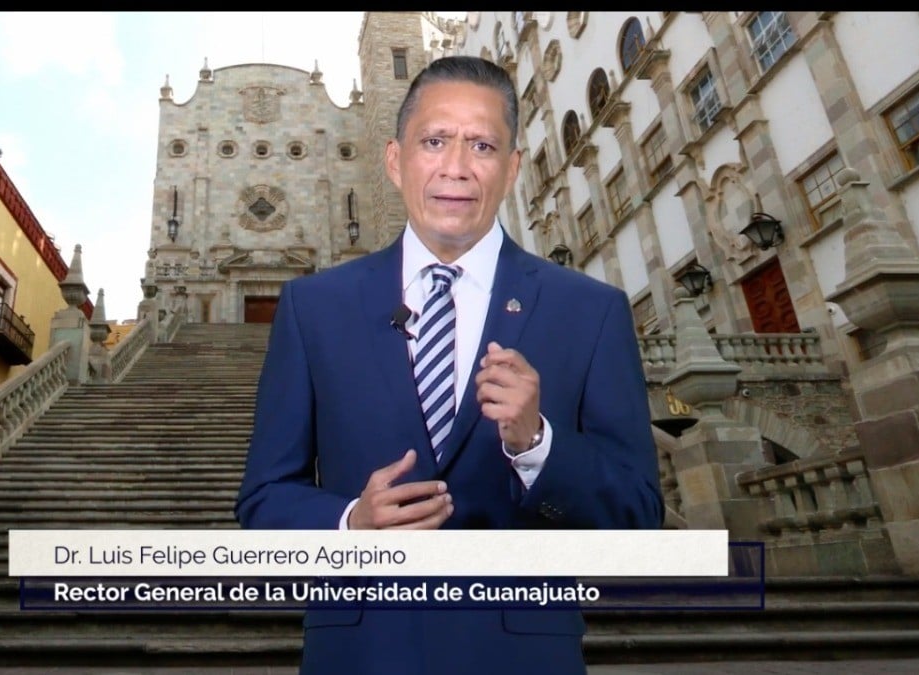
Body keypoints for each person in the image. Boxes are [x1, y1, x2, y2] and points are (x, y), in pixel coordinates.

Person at [235, 55, 664, 675]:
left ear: (512, 167)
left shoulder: (590, 312)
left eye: (483, 145)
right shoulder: (312, 309)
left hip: (523, 656)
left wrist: (538, 444)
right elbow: (263, 500)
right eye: (434, 141)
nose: (456, 168)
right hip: (360, 654)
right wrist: (350, 523)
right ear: (394, 160)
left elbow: (638, 514)